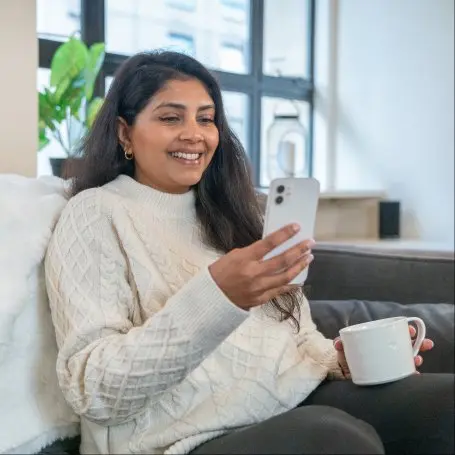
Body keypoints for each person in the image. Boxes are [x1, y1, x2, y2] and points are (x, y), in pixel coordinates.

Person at [45, 51, 454, 455]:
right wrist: (218, 296)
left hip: (292, 401)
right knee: (334, 439)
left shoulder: (231, 214)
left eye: (206, 118)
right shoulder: (96, 213)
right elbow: (94, 390)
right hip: (180, 440)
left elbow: (294, 339)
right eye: (171, 117)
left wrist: (338, 361)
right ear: (124, 132)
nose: (195, 133)